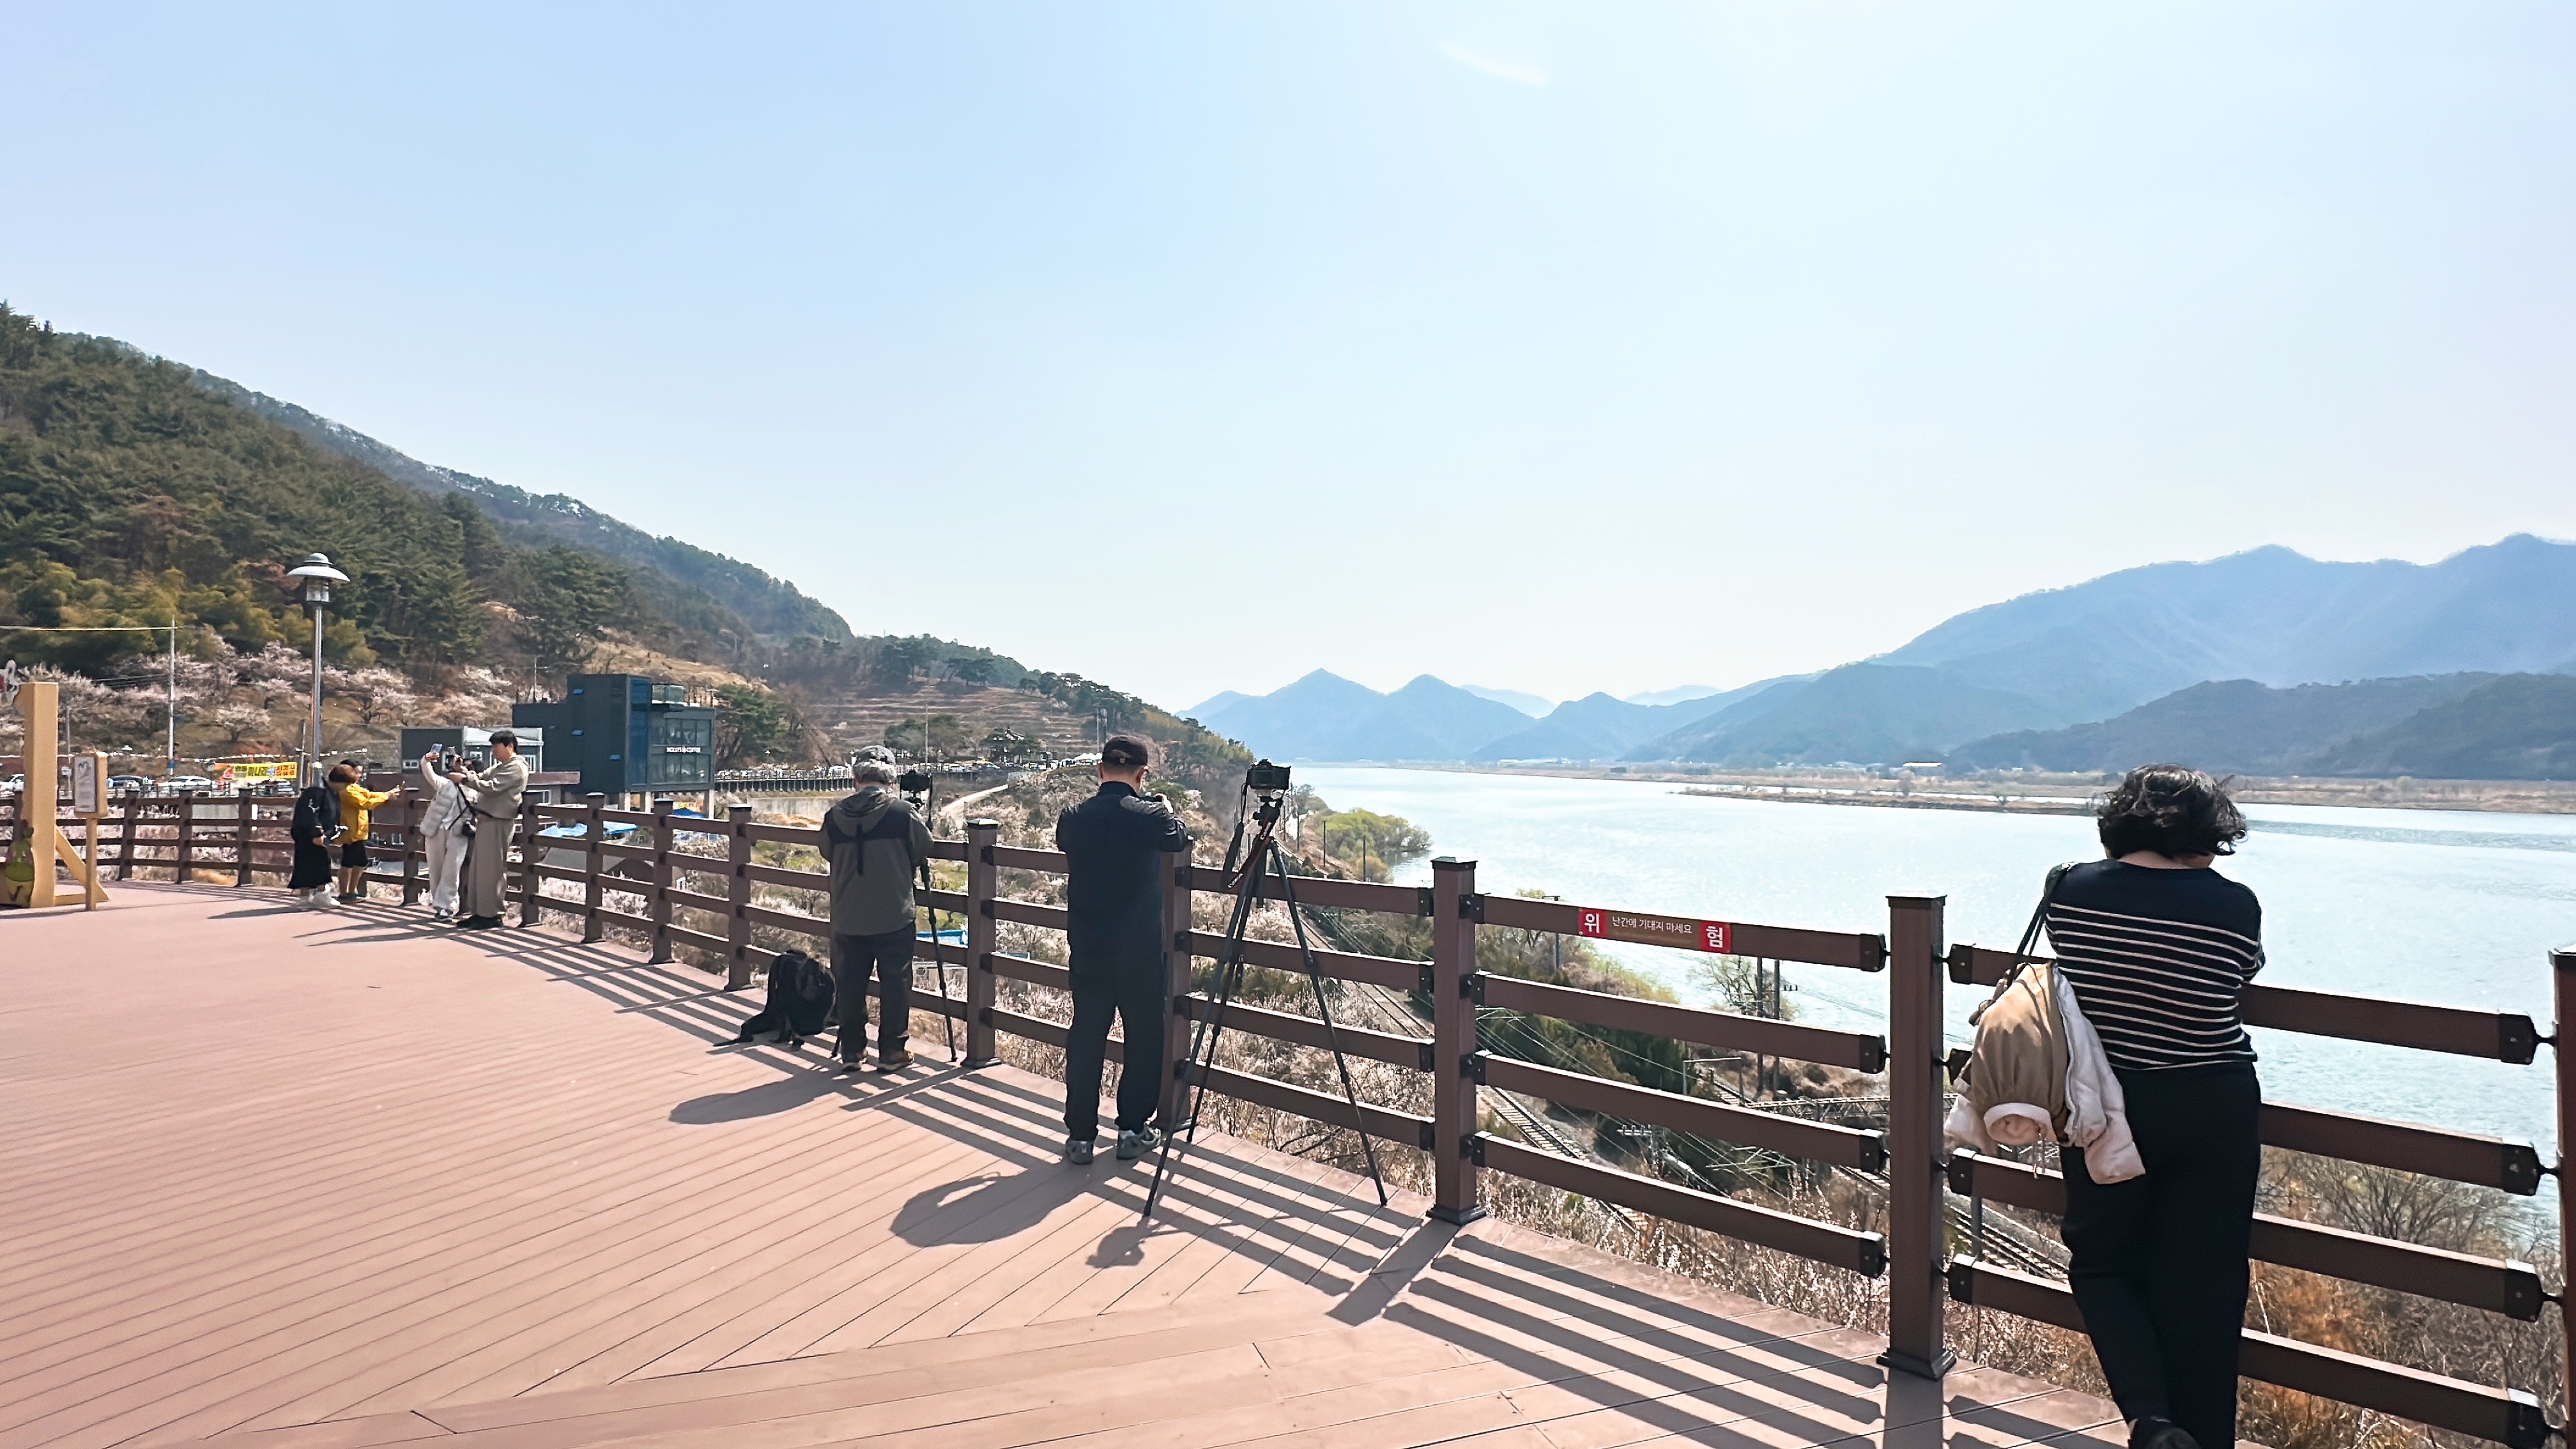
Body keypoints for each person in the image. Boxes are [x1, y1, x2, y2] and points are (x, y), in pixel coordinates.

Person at [2046, 764, 2264, 1449]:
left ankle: (2151, 1420)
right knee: (2207, 1283)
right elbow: (2243, 974)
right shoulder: (2235, 905)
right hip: (2214, 1106)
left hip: (2107, 1104)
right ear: (2210, 835)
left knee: (2104, 1262)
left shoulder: (2069, 891)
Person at [1054, 733, 1190, 1165]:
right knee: (1145, 1037)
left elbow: (1065, 842)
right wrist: (1164, 807)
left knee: (1087, 1035)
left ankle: (1080, 1135)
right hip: (1140, 951)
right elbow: (1177, 838)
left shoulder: (1074, 816)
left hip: (1089, 945)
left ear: (1100, 771)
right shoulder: (1151, 816)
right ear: (1142, 774)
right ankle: (1133, 1128)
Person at [821, 757, 932, 1073]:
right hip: (892, 912)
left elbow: (827, 851)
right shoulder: (900, 813)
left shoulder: (834, 816)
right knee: (895, 982)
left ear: (856, 780)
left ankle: (853, 1051)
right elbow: (924, 846)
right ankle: (892, 1051)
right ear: (889, 782)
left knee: (850, 982)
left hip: (847, 913)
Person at [446, 731, 529, 930]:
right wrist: (464, 772)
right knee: (480, 870)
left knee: (492, 870)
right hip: (487, 820)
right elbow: (481, 777)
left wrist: (464, 780)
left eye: (496, 747)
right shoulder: (503, 766)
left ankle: (492, 914)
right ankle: (480, 912)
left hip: (499, 821)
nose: (493, 752)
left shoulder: (517, 767)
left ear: (509, 746)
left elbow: (491, 787)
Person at [416, 747, 471, 921]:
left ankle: (446, 906)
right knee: (435, 868)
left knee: (452, 870)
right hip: (435, 830)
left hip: (458, 832)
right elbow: (428, 773)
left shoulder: (475, 791)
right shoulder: (445, 784)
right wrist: (426, 760)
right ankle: (439, 905)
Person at [328, 762, 394, 904]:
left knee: (357, 862)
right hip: (351, 832)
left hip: (357, 831)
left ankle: (351, 892)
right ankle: (346, 893)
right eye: (356, 773)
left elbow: (367, 795)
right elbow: (364, 803)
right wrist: (386, 797)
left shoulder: (352, 788)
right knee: (349, 863)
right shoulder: (346, 791)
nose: (358, 776)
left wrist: (386, 794)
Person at [288, 777, 341, 909]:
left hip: (306, 834)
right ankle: (315, 895)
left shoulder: (319, 792)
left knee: (312, 863)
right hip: (311, 834)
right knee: (316, 863)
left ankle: (310, 896)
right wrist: (317, 833)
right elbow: (311, 815)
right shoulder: (317, 793)